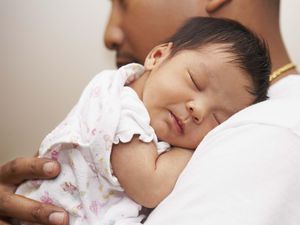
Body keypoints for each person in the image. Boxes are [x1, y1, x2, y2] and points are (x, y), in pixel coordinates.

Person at [0, 0, 299, 225]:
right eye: (194, 80)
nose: (110, 34)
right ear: (158, 56)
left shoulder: (271, 131)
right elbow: (150, 184)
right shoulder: (124, 105)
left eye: (124, 2)